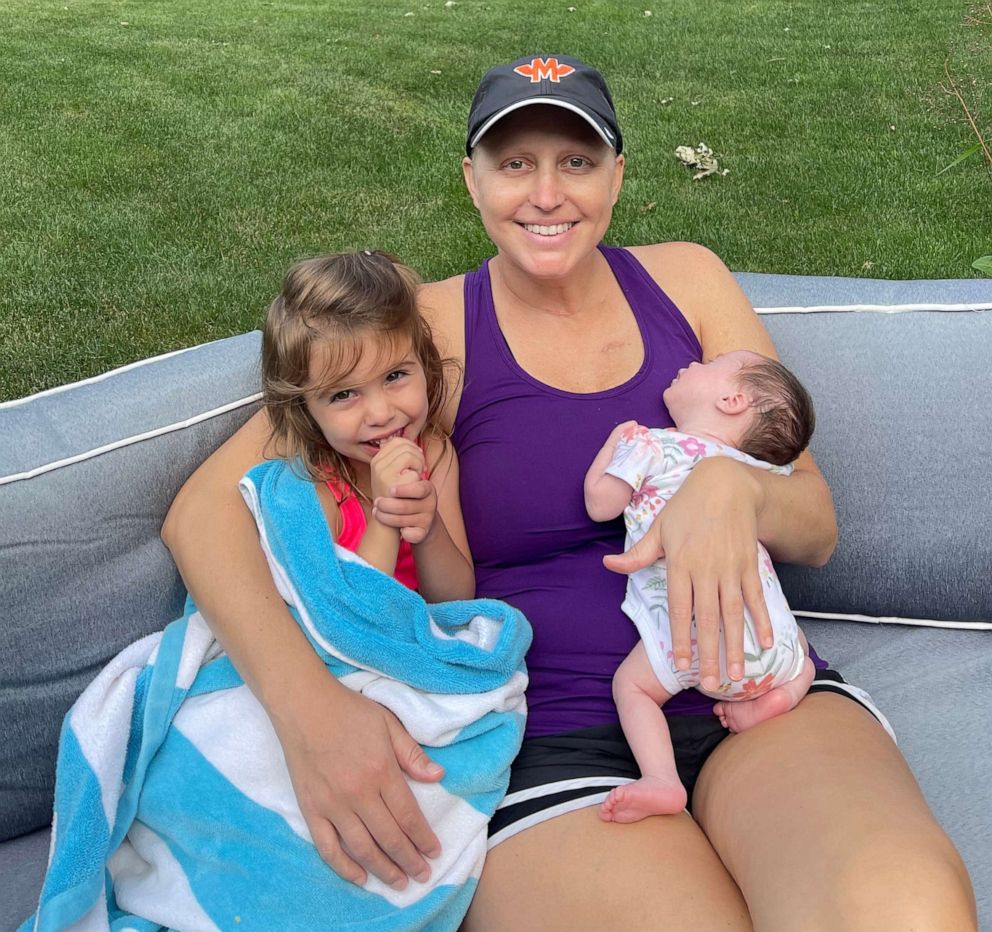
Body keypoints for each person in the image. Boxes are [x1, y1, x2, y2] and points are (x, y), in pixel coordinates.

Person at [162, 54, 976, 929]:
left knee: (904, 910)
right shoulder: (425, 329)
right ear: (471, 181)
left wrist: (734, 490)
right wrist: (310, 715)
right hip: (552, 741)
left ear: (617, 176)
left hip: (755, 690)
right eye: (515, 163)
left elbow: (815, 526)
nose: (547, 194)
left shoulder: (688, 281)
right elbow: (203, 512)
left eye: (577, 161)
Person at [584, 350, 817, 822]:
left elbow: (600, 504)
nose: (692, 363)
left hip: (693, 644)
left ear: (731, 399)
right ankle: (779, 697)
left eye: (711, 364)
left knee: (633, 689)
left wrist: (613, 445)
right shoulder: (761, 471)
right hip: (774, 648)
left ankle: (661, 779)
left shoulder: (653, 446)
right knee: (803, 653)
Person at [259, 249, 473, 602]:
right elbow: (352, 618)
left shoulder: (434, 454)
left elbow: (456, 600)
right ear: (304, 408)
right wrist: (387, 519)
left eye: (395, 375)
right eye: (344, 394)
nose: (380, 413)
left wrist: (429, 527)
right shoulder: (315, 486)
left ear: (424, 363)